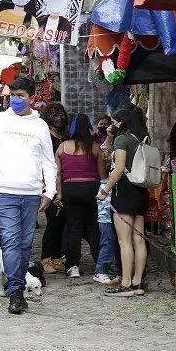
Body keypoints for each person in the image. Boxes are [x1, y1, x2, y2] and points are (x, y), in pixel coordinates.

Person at [0, 76, 56, 315]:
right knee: (10, 241)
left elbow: (48, 162)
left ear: (32, 98)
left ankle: (17, 288)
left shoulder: (40, 126)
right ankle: (16, 292)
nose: (16, 100)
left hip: (31, 194)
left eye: (21, 96)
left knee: (24, 245)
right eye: (13, 95)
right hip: (3, 192)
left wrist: (49, 191)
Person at [97, 107, 150, 297]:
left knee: (124, 240)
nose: (111, 125)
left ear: (121, 122)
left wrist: (104, 191)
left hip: (125, 191)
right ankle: (138, 281)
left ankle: (126, 283)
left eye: (113, 121)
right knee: (139, 238)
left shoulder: (122, 139)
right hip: (141, 191)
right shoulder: (143, 138)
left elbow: (119, 169)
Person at [54, 113, 106, 278]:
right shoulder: (96, 148)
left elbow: (58, 174)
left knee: (73, 229)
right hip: (91, 189)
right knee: (92, 227)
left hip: (69, 189)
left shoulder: (62, 147)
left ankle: (73, 266)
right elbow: (102, 174)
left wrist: (59, 194)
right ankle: (100, 263)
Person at [38, 102, 68, 274]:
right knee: (52, 223)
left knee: (60, 222)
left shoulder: (63, 136)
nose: (59, 117)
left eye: (61, 113)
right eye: (55, 113)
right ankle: (46, 259)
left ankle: (56, 257)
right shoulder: (47, 137)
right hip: (50, 184)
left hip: (64, 183)